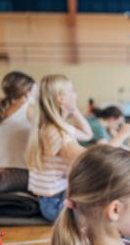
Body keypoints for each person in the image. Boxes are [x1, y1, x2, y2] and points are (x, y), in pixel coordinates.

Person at [25, 74, 93, 222]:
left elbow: (88, 134)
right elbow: (89, 160)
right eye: (72, 91)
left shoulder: (56, 126)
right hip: (56, 204)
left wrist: (74, 110)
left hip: (52, 201)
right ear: (61, 99)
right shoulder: (56, 131)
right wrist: (119, 137)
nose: (76, 94)